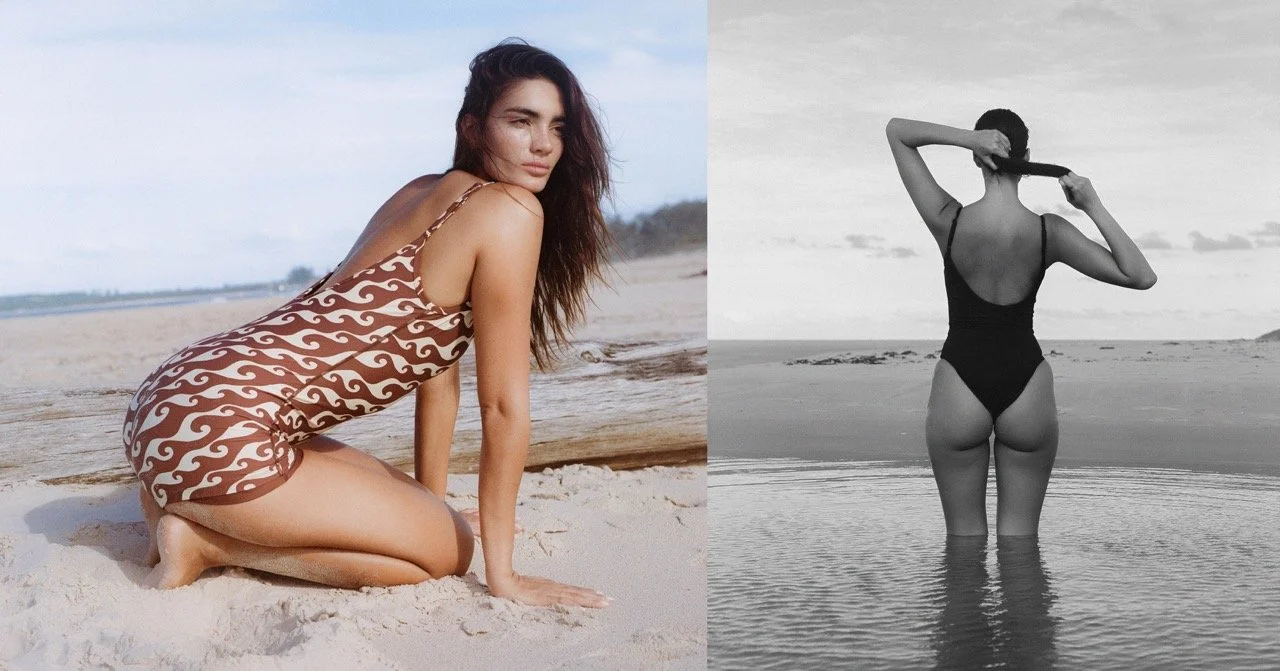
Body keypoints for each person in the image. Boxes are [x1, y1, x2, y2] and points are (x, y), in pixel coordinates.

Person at [122, 40, 612, 608]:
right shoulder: (511, 211)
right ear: (474, 127)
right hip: (231, 429)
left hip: (172, 397)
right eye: (520, 121)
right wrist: (504, 574)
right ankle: (209, 544)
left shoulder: (423, 190)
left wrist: (429, 507)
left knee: (434, 525)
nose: (544, 144)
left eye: (557, 125)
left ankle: (180, 497)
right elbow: (503, 407)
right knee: (447, 555)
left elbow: (438, 375)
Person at [885, 110, 1156, 536]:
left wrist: (966, 138)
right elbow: (1140, 276)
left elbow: (897, 132)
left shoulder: (948, 220)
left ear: (979, 156)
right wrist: (1092, 205)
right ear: (1027, 158)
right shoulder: (1050, 232)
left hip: (959, 380)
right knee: (1021, 543)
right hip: (1026, 384)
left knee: (963, 541)